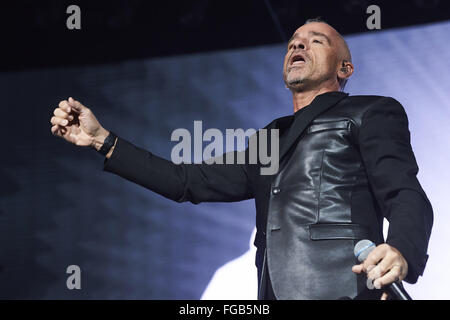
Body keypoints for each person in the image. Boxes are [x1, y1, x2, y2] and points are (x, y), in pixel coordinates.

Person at [50, 19, 433, 300]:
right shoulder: (271, 139)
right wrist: (102, 139)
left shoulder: (371, 112)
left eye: (316, 41)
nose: (298, 47)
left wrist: (400, 249)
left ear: (344, 68)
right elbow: (186, 181)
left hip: (348, 288)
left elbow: (404, 191)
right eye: (293, 43)